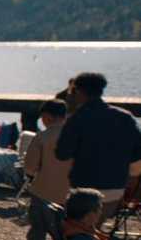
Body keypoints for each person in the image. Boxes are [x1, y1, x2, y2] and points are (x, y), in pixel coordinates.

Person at [56, 72, 141, 221]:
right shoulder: (126, 117)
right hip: (115, 189)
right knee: (95, 228)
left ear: (79, 91)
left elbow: (62, 154)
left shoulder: (77, 118)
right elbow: (137, 155)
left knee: (74, 231)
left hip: (84, 189)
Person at [12, 100, 73, 240]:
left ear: (47, 116)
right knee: (62, 234)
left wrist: (31, 175)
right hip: (69, 193)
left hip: (43, 190)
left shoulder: (43, 137)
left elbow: (30, 167)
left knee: (38, 227)